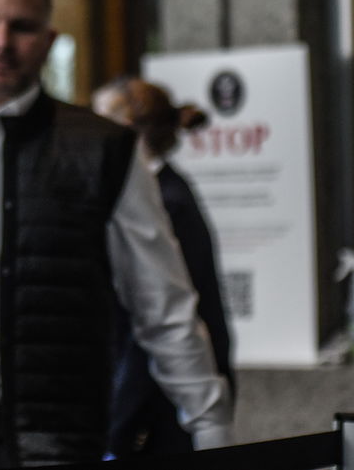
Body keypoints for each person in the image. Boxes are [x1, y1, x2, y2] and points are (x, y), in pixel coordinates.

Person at [0, 0, 233, 467]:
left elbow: (162, 305)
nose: (1, 43)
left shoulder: (104, 149)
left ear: (51, 41)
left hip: (51, 440)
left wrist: (210, 427)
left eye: (23, 27)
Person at [91, 77, 235, 457]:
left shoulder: (166, 200)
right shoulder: (161, 191)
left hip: (163, 406)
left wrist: (117, 428)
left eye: (97, 121)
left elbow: (158, 318)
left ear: (124, 129)